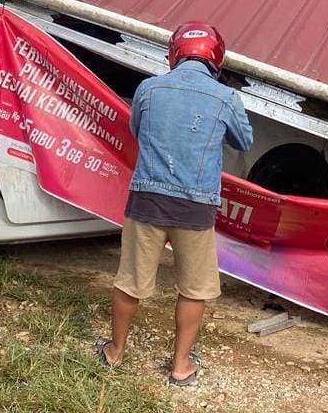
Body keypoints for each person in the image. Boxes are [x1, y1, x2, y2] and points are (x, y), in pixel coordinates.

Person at [98, 21, 252, 387]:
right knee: (193, 288)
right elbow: (244, 141)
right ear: (216, 58)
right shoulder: (226, 98)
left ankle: (115, 352)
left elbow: (136, 129)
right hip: (195, 209)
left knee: (131, 280)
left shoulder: (148, 89)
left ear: (175, 54)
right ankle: (180, 366)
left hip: (147, 202)